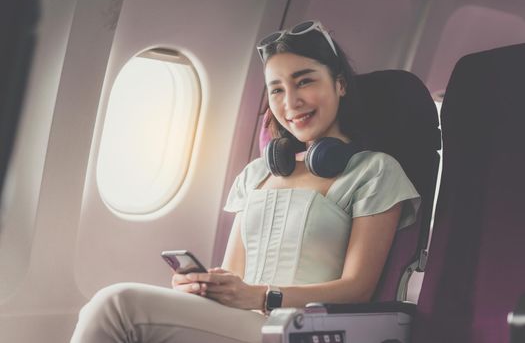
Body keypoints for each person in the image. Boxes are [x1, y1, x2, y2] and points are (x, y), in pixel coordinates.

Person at [70, 20, 420, 343]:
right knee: (107, 308)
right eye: (277, 90)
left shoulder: (374, 171)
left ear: (340, 84)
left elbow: (358, 289)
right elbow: (234, 273)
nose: (291, 102)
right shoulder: (257, 173)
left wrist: (262, 296)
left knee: (117, 306)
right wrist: (209, 287)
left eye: (304, 81)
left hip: (304, 328)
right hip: (243, 321)